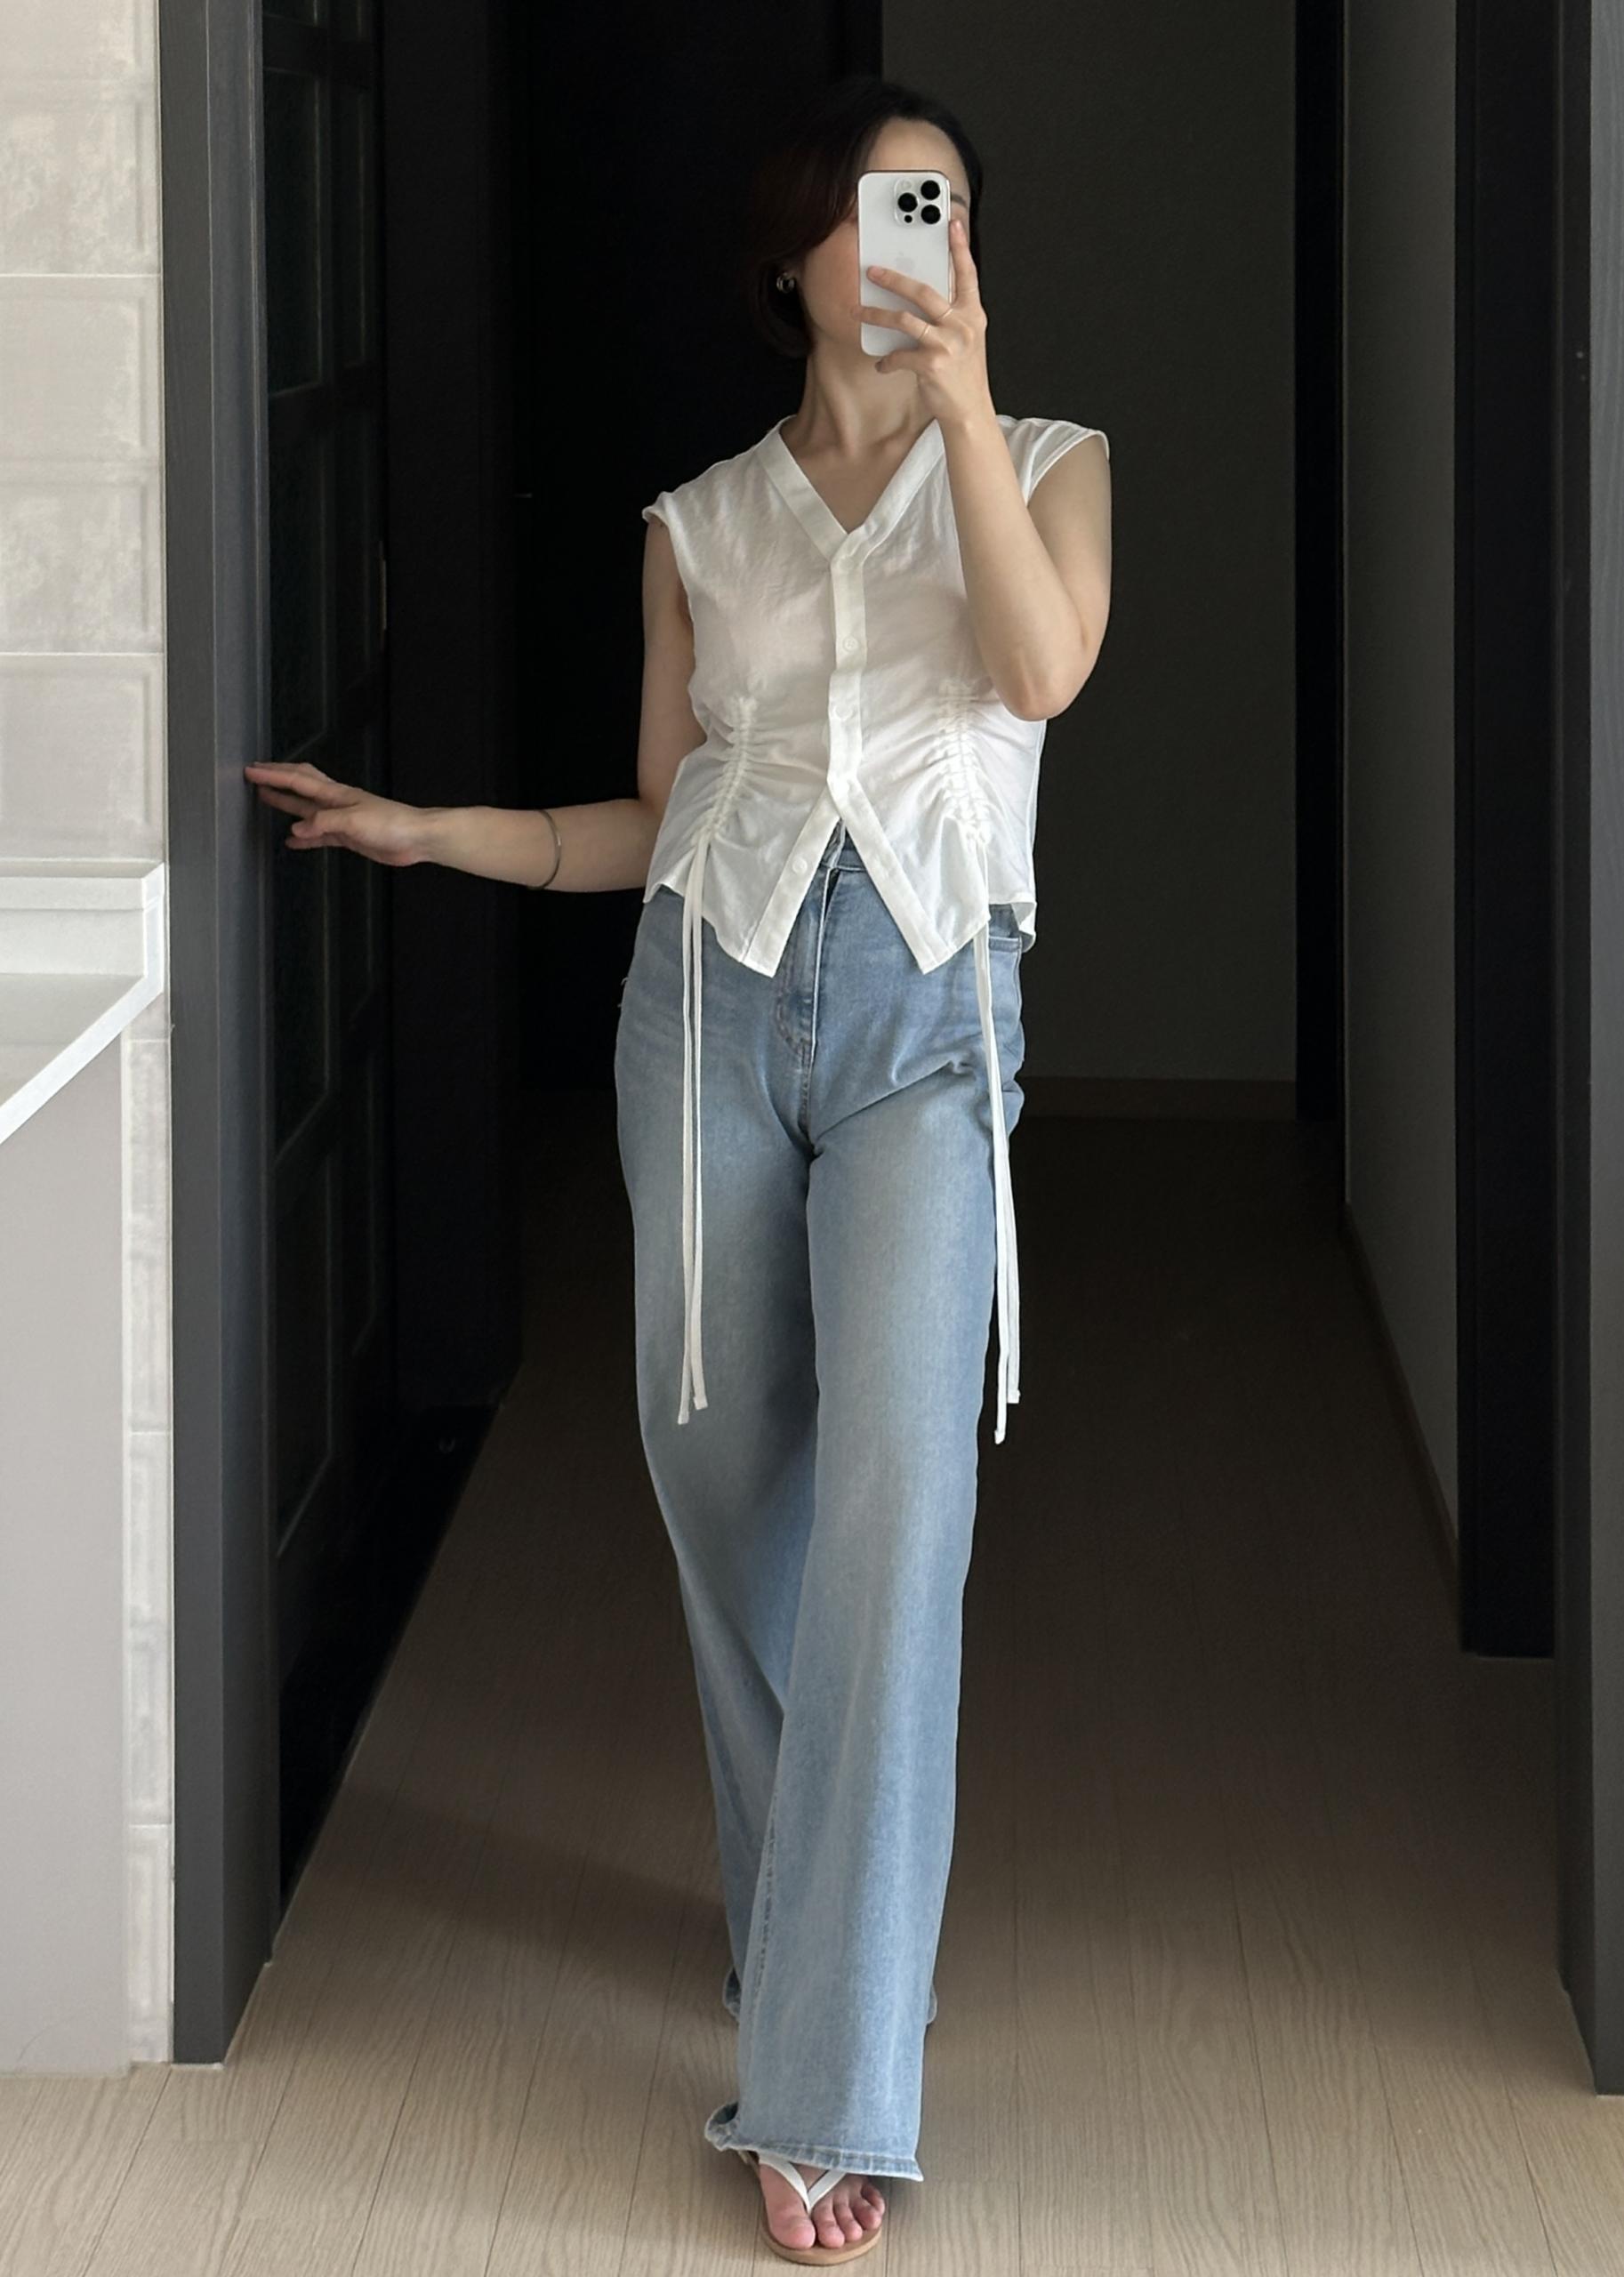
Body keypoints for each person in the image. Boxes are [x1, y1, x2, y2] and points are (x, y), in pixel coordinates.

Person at [247, 71, 1110, 2268]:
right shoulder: (698, 522)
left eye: (949, 209)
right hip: (708, 1011)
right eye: (882, 208)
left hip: (930, 1021)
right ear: (794, 252)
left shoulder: (1045, 463)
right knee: (723, 1491)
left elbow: (1039, 670)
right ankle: (816, 1923)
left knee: (899, 1513)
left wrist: (967, 398)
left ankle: (824, 2086)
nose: (918, 243)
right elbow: (653, 817)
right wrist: (436, 831)